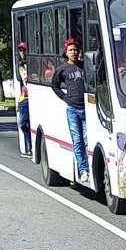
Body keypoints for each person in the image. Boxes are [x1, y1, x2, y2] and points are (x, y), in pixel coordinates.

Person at [52, 38, 89, 183]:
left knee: (87, 140)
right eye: (71, 50)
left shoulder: (84, 67)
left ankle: (89, 167)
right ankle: (83, 170)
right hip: (73, 109)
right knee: (77, 140)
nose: (74, 52)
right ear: (66, 53)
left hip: (86, 109)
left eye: (75, 50)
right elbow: (54, 85)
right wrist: (64, 97)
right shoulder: (62, 69)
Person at [17, 42, 32, 157]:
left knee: (30, 122)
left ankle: (31, 147)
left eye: (24, 50)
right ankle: (29, 144)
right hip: (24, 97)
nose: (22, 53)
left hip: (33, 97)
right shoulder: (20, 65)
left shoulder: (34, 64)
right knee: (22, 123)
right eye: (21, 51)